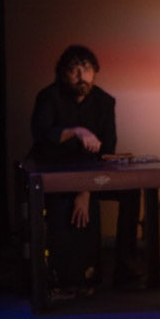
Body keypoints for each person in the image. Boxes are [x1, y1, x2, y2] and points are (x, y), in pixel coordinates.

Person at [28, 45, 141, 298]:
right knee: (59, 206)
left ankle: (124, 265)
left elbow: (107, 150)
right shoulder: (48, 97)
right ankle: (58, 275)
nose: (81, 76)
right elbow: (41, 136)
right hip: (55, 175)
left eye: (87, 69)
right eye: (73, 70)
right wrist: (77, 131)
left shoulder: (104, 101)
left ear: (95, 72)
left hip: (91, 176)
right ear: (62, 74)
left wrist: (87, 189)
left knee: (132, 192)